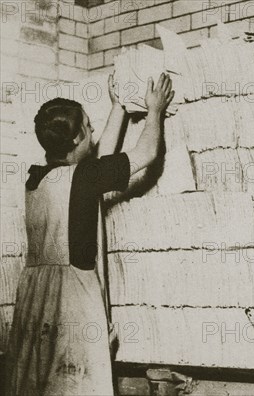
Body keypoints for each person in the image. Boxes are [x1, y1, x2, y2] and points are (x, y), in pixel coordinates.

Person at [3, 72, 174, 395]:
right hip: (71, 297)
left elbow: (99, 164)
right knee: (75, 381)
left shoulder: (38, 179)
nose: (93, 132)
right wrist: (155, 110)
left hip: (35, 296)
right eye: (89, 127)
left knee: (37, 381)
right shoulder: (83, 177)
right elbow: (146, 153)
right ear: (78, 139)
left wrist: (118, 108)